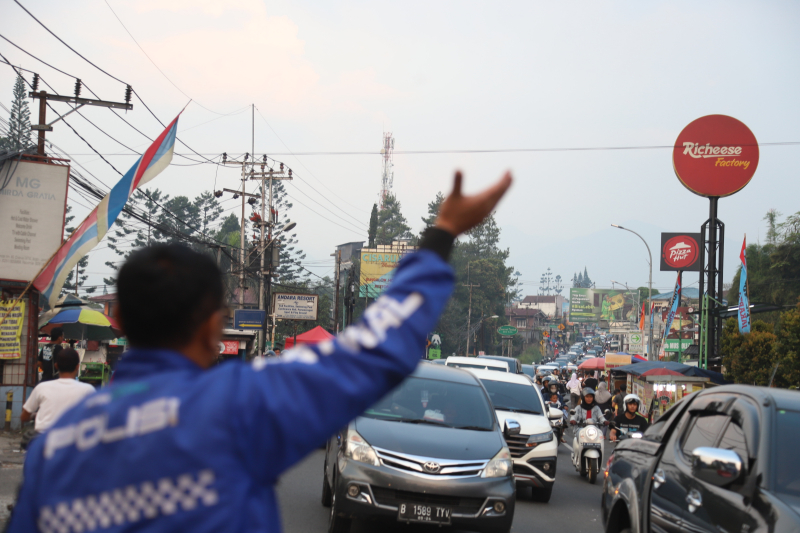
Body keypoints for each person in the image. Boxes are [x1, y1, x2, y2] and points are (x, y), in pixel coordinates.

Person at [8, 170, 511, 533]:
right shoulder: (235, 407)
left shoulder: (57, 452)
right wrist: (441, 235)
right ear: (212, 324)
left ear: (121, 322)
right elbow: (374, 347)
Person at [21, 348, 95, 437]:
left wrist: (35, 416)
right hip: (72, 440)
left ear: (56, 366)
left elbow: (24, 417)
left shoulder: (42, 387)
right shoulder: (88, 390)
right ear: (77, 366)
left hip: (43, 440)